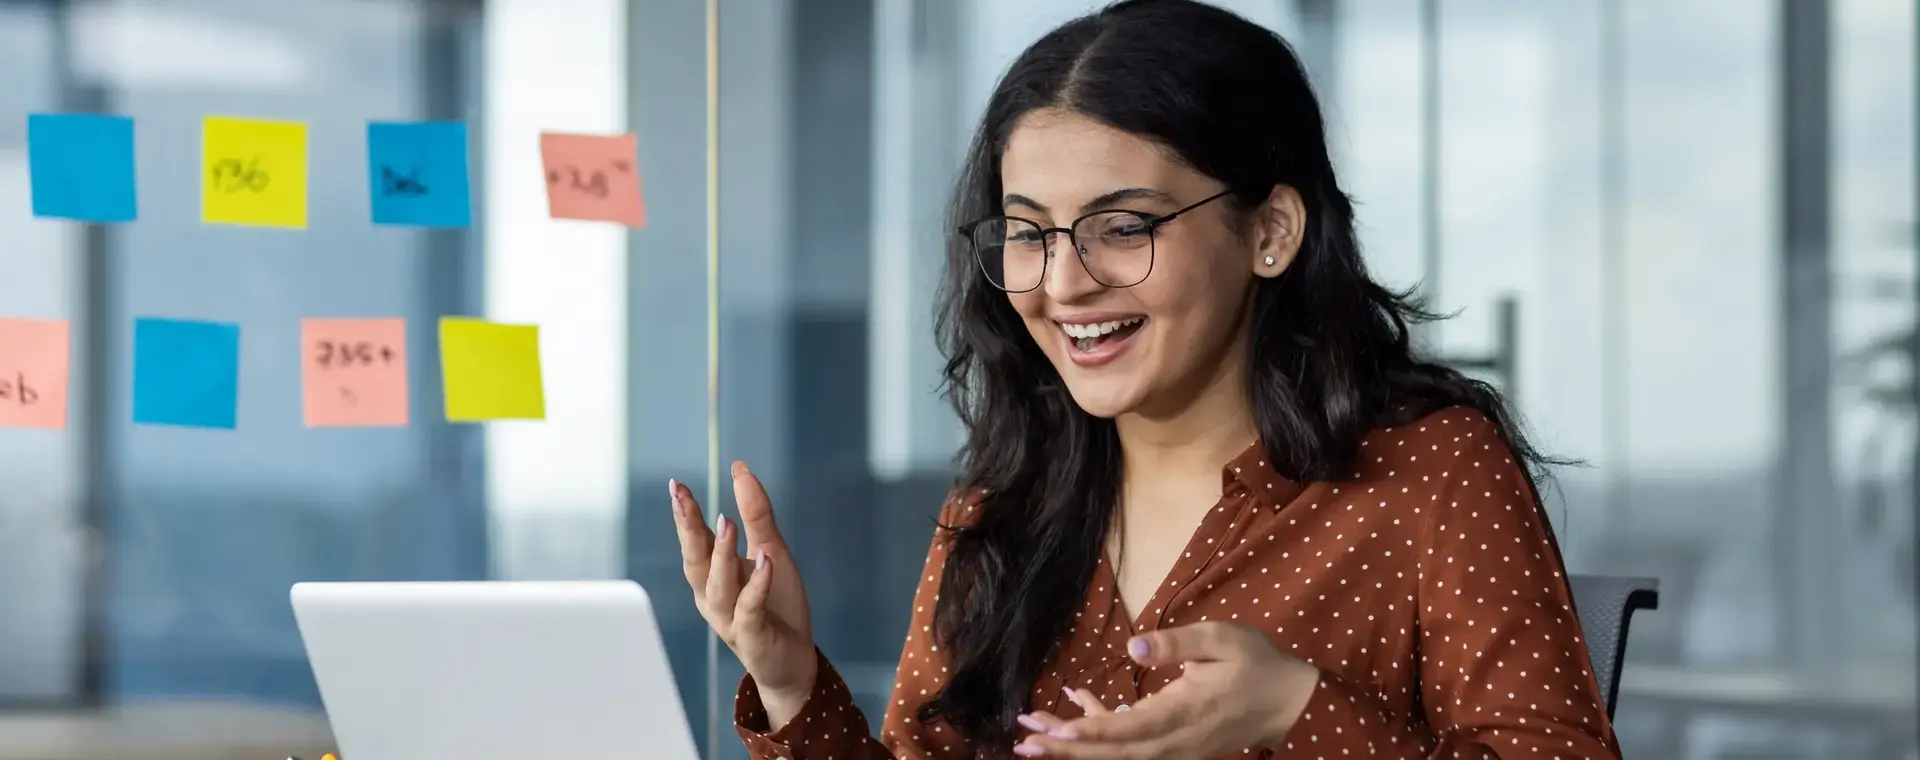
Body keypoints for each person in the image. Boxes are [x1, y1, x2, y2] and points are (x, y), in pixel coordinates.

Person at [668, 1, 1620, 758]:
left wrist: (1293, 712)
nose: (1065, 282)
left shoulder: (1430, 470)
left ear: (1271, 232)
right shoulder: (1004, 504)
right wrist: (792, 681)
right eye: (1030, 233)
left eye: (1124, 227)